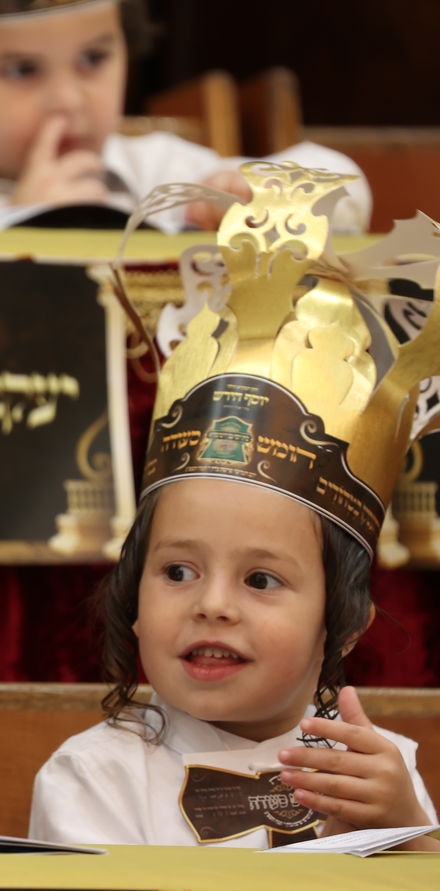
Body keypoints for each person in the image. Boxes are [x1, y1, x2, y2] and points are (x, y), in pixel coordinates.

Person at [29, 162, 439, 850]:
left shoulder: (380, 769)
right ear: (131, 594)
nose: (211, 604)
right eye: (178, 571)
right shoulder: (96, 775)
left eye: (260, 579)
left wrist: (407, 834)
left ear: (344, 623)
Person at [0, 0, 370, 233]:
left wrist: (261, 190)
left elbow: (346, 191)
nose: (69, 99)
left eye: (93, 60)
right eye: (22, 69)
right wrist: (24, 224)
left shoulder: (164, 173)